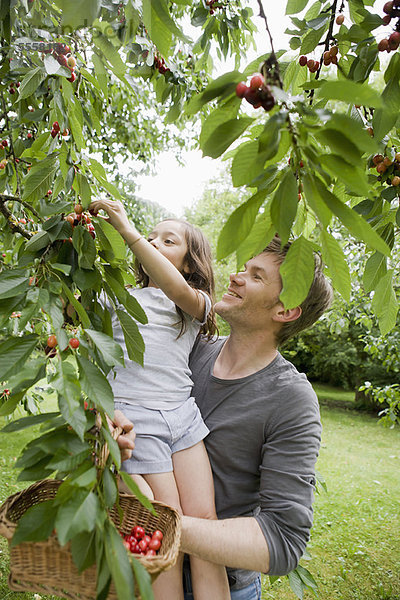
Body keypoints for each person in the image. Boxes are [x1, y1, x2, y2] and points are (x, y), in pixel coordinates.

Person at [177, 236, 334, 599]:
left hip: (222, 586)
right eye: (243, 268)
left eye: (256, 276)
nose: (234, 277)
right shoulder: (190, 351)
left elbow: (282, 540)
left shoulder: (291, 400)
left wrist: (166, 527)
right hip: (142, 566)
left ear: (285, 310)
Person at [89, 198, 230, 600]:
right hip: (139, 419)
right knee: (164, 528)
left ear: (189, 263)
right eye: (151, 238)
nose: (152, 243)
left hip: (183, 419)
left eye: (167, 241)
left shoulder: (193, 302)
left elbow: (174, 286)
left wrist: (129, 232)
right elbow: (74, 310)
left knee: (205, 522)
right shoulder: (119, 297)